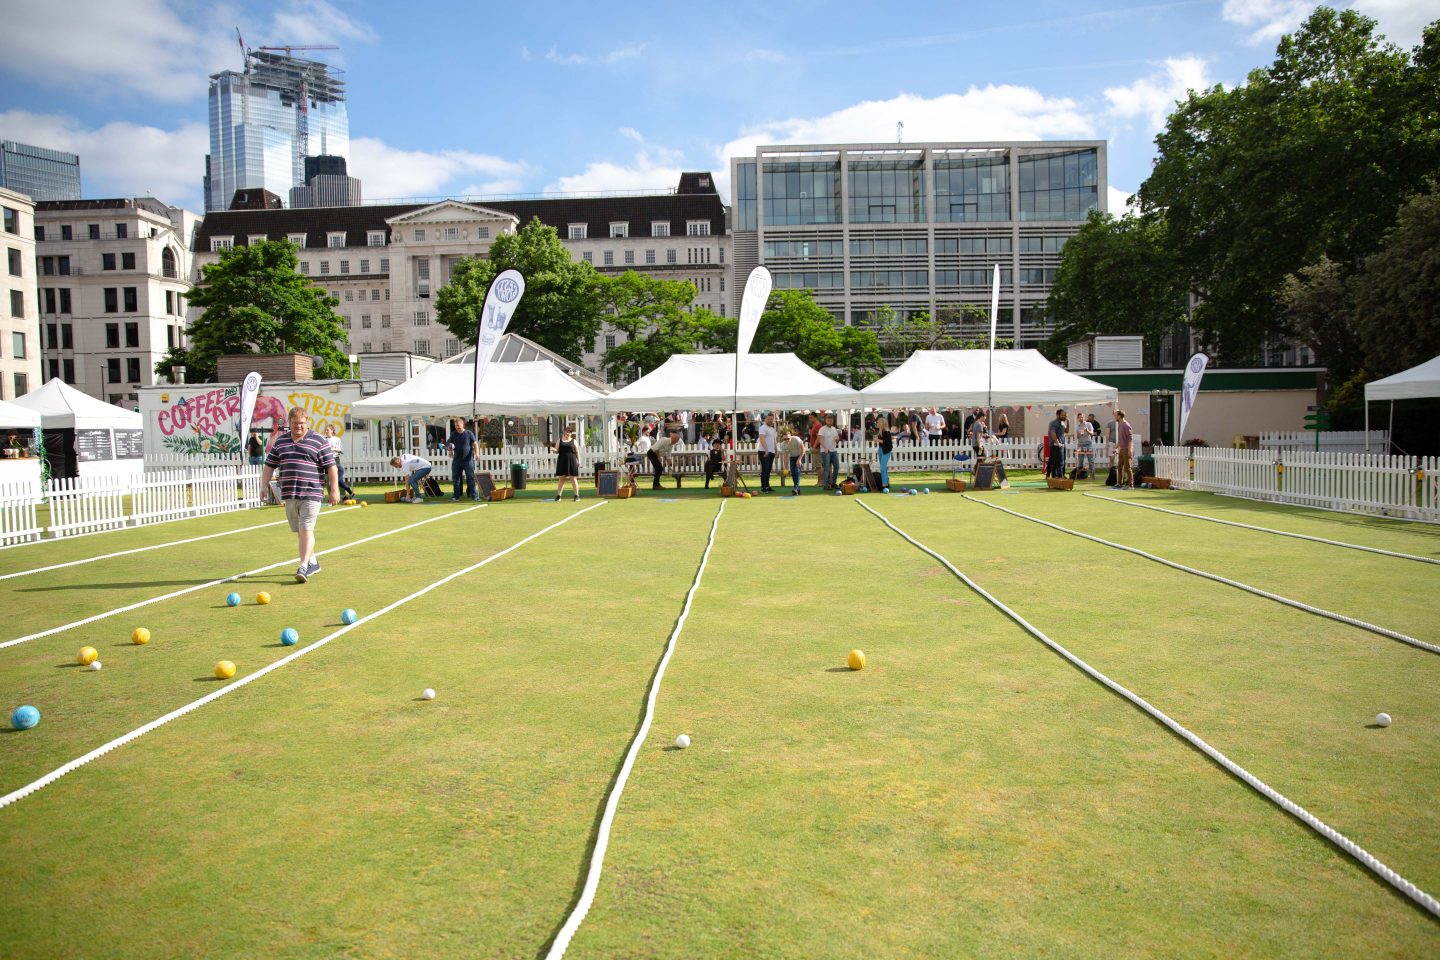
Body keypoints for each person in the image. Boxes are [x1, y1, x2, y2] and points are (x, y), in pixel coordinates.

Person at [262, 406, 339, 584]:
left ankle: (303, 566)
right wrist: (264, 486)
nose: (299, 427)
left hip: (312, 492)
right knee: (300, 530)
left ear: (307, 423)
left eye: (302, 423)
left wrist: (333, 489)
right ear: (289, 423)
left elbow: (331, 466)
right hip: (289, 493)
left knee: (306, 528)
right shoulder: (281, 442)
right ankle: (313, 562)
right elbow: (269, 465)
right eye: (295, 423)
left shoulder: (318, 440)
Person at [445, 417, 479, 501]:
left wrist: (477, 454)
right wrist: (449, 450)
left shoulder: (469, 433)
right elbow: (449, 444)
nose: (457, 427)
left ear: (462, 424)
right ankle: (456, 496)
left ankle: (474, 495)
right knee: (455, 478)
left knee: (470, 478)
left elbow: (475, 444)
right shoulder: (453, 434)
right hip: (456, 460)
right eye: (456, 426)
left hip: (468, 460)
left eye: (458, 425)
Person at [322, 425, 355, 499]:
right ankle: (351, 493)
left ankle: (335, 497)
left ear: (332, 431)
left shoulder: (337, 439)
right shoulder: (324, 440)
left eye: (327, 430)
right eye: (325, 430)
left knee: (333, 482)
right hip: (327, 461)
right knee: (339, 482)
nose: (326, 431)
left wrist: (334, 450)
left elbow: (341, 450)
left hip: (335, 460)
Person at [551, 425, 581, 502]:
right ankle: (558, 496)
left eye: (570, 432)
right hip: (562, 460)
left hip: (572, 460)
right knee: (561, 479)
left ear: (571, 433)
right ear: (564, 432)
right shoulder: (559, 440)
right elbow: (556, 450)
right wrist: (553, 449)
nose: (568, 433)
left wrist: (579, 461)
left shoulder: (574, 441)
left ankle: (576, 496)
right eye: (567, 431)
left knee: (573, 479)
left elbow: (577, 452)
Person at [777, 428, 805, 496]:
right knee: (793, 472)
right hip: (792, 457)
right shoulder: (783, 445)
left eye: (788, 438)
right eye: (785, 439)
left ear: (791, 436)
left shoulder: (796, 439)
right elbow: (785, 457)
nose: (786, 440)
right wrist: (786, 468)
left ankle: (795, 487)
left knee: (796, 470)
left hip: (800, 455)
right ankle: (797, 488)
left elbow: (803, 450)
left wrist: (799, 460)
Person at [818, 414, 841, 489]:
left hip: (833, 450)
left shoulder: (834, 429)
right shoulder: (822, 429)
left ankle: (833, 483)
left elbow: (837, 439)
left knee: (837, 467)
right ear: (826, 421)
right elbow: (820, 440)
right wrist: (825, 448)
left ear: (833, 421)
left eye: (831, 421)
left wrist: (837, 439)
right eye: (828, 420)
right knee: (826, 468)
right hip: (825, 451)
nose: (830, 422)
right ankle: (826, 484)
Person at [757, 413, 777, 494]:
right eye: (768, 419)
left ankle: (767, 486)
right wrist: (766, 450)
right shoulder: (762, 428)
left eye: (771, 419)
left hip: (771, 452)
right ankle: (763, 487)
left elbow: (774, 441)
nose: (770, 420)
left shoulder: (773, 429)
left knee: (768, 470)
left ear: (773, 420)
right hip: (764, 451)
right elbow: (762, 439)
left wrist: (776, 450)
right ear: (765, 419)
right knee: (764, 470)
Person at [1046, 408, 1068, 479]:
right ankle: (1060, 477)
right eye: (1062, 415)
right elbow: (1053, 433)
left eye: (1064, 415)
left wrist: (1068, 421)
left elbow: (1066, 431)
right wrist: (1058, 442)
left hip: (1061, 444)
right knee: (1060, 462)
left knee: (1053, 461)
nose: (1063, 416)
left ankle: (1052, 476)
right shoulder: (1055, 422)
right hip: (1056, 445)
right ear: (1057, 415)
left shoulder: (1062, 422)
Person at [1115, 409, 1134, 488]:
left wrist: (1130, 450)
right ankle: (1119, 483)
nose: (1115, 417)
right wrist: (1116, 448)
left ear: (1119, 416)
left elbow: (1130, 439)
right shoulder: (1119, 425)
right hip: (1121, 449)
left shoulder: (1126, 425)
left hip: (1126, 449)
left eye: (1116, 415)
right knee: (1119, 467)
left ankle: (1130, 484)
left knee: (1127, 468)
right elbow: (1120, 439)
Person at [1074, 412, 1095, 478]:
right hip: (1080, 444)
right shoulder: (1077, 426)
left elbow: (1092, 433)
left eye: (1082, 417)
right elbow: (1077, 437)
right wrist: (1079, 434)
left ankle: (1092, 475)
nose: (1081, 418)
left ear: (1084, 417)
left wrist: (1087, 430)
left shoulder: (1089, 424)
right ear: (1078, 418)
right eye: (1080, 417)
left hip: (1088, 444)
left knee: (1090, 460)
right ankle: (1081, 475)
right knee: (1080, 461)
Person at [875, 418, 893, 492]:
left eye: (878, 422)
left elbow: (888, 443)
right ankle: (886, 483)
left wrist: (878, 440)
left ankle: (884, 485)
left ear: (882, 423)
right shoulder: (881, 432)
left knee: (882, 468)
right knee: (883, 468)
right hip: (881, 451)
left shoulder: (886, 432)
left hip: (886, 451)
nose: (877, 423)